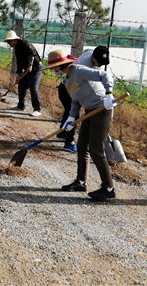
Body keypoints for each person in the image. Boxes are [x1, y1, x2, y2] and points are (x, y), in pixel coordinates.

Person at [42, 49, 117, 201]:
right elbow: (75, 101)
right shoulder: (67, 80)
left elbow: (104, 75)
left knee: (96, 150)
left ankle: (108, 188)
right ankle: (81, 182)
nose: (52, 70)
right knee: (82, 147)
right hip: (89, 110)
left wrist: (109, 93)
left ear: (59, 65)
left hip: (102, 109)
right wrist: (70, 118)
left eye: (52, 67)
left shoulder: (79, 70)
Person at [56, 46, 110, 153]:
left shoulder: (90, 52)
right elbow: (78, 93)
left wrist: (108, 94)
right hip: (69, 89)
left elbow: (86, 50)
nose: (99, 65)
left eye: (102, 63)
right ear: (93, 57)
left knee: (69, 113)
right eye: (98, 62)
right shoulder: (82, 67)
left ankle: (62, 132)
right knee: (73, 114)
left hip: (73, 86)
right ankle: (69, 142)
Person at [3, 30, 42, 117]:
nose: (9, 43)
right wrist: (19, 74)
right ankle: (21, 106)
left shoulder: (25, 44)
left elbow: (32, 54)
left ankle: (37, 109)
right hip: (27, 69)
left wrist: (30, 65)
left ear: (14, 40)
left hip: (35, 67)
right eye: (8, 42)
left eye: (9, 41)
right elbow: (19, 62)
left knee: (33, 87)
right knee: (22, 86)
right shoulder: (16, 48)